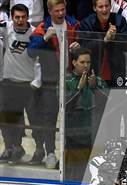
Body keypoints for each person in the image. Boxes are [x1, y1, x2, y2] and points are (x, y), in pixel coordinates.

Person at [27, 0, 80, 168]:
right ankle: (50, 152)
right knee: (49, 118)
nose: (60, 13)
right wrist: (45, 38)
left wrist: (78, 48)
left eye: (63, 9)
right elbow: (31, 52)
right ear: (49, 11)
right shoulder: (42, 28)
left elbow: (85, 48)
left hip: (70, 79)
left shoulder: (74, 24)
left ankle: (70, 153)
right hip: (50, 81)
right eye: (57, 10)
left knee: (72, 118)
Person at [0, 4, 39, 164]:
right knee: (5, 117)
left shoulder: (35, 32)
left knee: (34, 119)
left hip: (29, 84)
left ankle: (41, 150)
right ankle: (12, 147)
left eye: (23, 17)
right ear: (11, 17)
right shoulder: (6, 27)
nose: (20, 20)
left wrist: (37, 81)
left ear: (28, 16)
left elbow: (39, 59)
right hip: (8, 81)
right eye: (17, 17)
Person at [64, 47, 108, 182]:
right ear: (74, 63)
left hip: (94, 137)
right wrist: (78, 89)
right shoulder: (66, 81)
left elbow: (108, 105)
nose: (86, 65)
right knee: (74, 177)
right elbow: (65, 106)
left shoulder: (97, 81)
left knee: (94, 177)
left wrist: (95, 89)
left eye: (88, 62)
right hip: (74, 137)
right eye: (82, 62)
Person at [79, 0, 127, 87]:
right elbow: (84, 48)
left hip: (116, 73)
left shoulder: (120, 20)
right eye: (100, 7)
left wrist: (115, 37)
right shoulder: (86, 23)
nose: (104, 10)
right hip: (93, 73)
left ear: (111, 6)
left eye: (107, 6)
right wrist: (105, 39)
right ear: (94, 8)